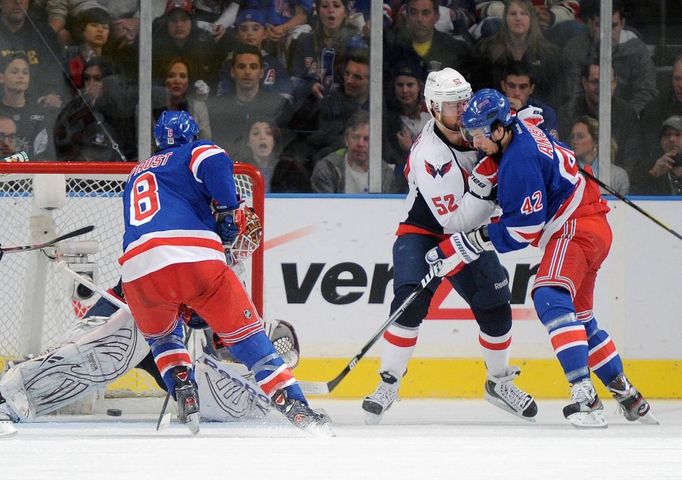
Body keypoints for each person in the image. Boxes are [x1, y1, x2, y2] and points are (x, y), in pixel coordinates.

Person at [119, 110, 331, 435]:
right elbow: (214, 158)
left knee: (163, 339)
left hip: (137, 274)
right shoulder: (192, 151)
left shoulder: (136, 173)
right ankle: (295, 404)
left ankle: (183, 388)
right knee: (249, 340)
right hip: (194, 260)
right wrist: (230, 210)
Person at [454, 88, 656, 427]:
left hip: (575, 228)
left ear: (499, 129)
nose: (475, 143)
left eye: (478, 135)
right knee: (580, 321)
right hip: (593, 225)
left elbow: (525, 229)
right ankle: (627, 395)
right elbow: (530, 119)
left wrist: (480, 236)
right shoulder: (520, 125)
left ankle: (586, 397)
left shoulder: (518, 161)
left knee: (549, 295)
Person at [361, 69, 537, 425]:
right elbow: (454, 223)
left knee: (497, 307)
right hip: (427, 229)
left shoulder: (481, 125)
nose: (461, 110)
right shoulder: (431, 155)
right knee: (408, 301)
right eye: (451, 105)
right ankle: (389, 381)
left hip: (469, 226)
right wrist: (489, 185)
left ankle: (498, 382)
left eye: (463, 101)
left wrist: (521, 132)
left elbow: (506, 139)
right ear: (432, 109)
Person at [561, 0, 656, 115]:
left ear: (622, 24)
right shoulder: (575, 49)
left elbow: (645, 92)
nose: (607, 33)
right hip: (586, 120)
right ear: (590, 24)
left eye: (613, 26)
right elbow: (573, 95)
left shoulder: (637, 50)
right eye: (599, 25)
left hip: (627, 119)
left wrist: (625, 119)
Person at [557, 61, 644, 176]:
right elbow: (566, 156)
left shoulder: (627, 113)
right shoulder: (568, 112)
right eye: (595, 82)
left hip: (615, 185)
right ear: (584, 83)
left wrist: (615, 180)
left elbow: (631, 158)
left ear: (615, 83)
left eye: (607, 82)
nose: (601, 88)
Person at [472, 0, 562, 108]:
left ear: (531, 19)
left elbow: (554, 95)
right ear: (505, 19)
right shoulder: (486, 50)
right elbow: (479, 90)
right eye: (513, 14)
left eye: (523, 13)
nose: (518, 18)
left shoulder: (549, 54)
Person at [311, 110, 393, 193]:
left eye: (366, 139)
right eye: (355, 137)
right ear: (346, 139)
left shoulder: (385, 173)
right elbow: (325, 205)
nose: (360, 144)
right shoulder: (327, 169)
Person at [384, 0, 472, 77]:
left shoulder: (456, 50)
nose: (419, 19)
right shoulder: (392, 47)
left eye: (426, 13)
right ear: (406, 16)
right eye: (414, 13)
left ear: (436, 17)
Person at [382, 60, 429, 193]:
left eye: (410, 85)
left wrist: (411, 148)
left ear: (419, 86)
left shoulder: (434, 114)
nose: (405, 90)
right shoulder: (389, 120)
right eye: (400, 85)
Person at [0, 53, 53, 160]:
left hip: (31, 173)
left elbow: (45, 155)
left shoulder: (41, 114)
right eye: (14, 72)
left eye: (25, 72)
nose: (21, 76)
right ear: (1, 77)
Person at [153, 57, 212, 139]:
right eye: (171, 76)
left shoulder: (198, 108)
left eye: (183, 76)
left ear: (188, 81)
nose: (177, 81)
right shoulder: (150, 108)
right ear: (164, 80)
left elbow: (205, 143)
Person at [570, 116, 629, 196]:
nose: (574, 141)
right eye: (572, 137)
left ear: (596, 142)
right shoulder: (566, 172)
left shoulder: (618, 175)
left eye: (580, 136)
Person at [499, 60, 557, 138]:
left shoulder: (545, 113)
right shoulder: (491, 109)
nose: (517, 93)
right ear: (503, 86)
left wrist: (522, 113)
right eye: (511, 86)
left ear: (531, 89)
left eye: (523, 87)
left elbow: (547, 146)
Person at [639, 55, 682, 160]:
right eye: (677, 78)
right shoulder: (654, 108)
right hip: (664, 168)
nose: (680, 85)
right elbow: (651, 148)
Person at [631, 115, 682, 195]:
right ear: (661, 141)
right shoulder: (645, 168)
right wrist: (652, 175)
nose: (671, 139)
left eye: (678, 134)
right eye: (667, 135)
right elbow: (635, 200)